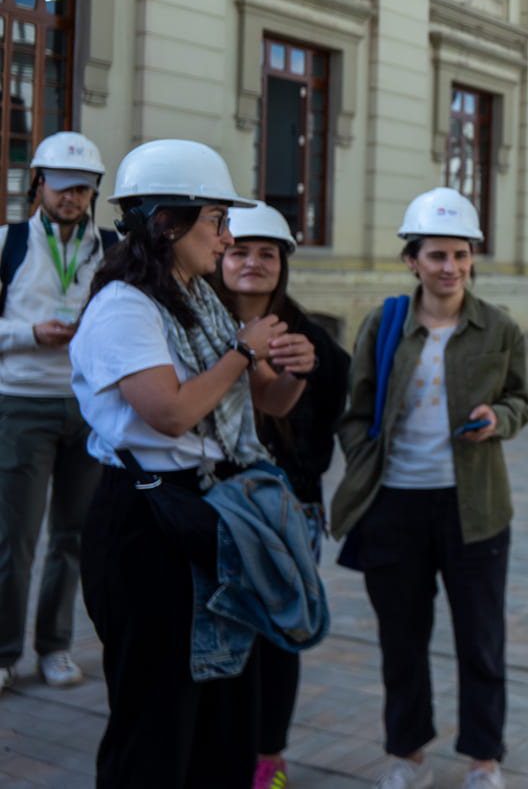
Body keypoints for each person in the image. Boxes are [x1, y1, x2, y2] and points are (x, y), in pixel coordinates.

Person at [71, 139, 318, 787]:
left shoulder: (199, 299)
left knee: (225, 715)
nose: (228, 237)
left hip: (207, 509)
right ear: (165, 223)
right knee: (155, 721)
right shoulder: (125, 305)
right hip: (147, 519)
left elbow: (266, 401)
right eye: (217, 220)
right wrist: (243, 351)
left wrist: (296, 370)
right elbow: (171, 412)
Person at [329, 188, 528, 789]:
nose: (451, 267)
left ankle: (483, 760)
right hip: (394, 506)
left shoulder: (499, 327)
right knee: (402, 641)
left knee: (482, 642)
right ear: (411, 260)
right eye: (437, 255)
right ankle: (407, 754)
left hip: (477, 508)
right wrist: (366, 465)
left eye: (461, 255)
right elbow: (354, 412)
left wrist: (499, 418)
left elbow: (520, 400)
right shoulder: (383, 324)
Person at [210, 201, 351, 789]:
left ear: (283, 263)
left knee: (278, 635)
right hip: (213, 507)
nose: (253, 263)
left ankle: (270, 755)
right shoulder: (199, 323)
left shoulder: (312, 340)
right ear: (220, 256)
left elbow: (326, 427)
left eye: (267, 253)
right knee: (220, 633)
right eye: (240, 251)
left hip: (289, 510)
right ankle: (223, 750)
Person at [0, 132, 116, 693]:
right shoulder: (8, 242)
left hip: (88, 405)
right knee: (14, 537)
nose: (71, 198)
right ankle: (4, 652)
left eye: (83, 189)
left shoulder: (111, 247)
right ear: (38, 185)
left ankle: (55, 646)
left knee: (73, 535)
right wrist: (30, 334)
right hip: (21, 402)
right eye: (62, 187)